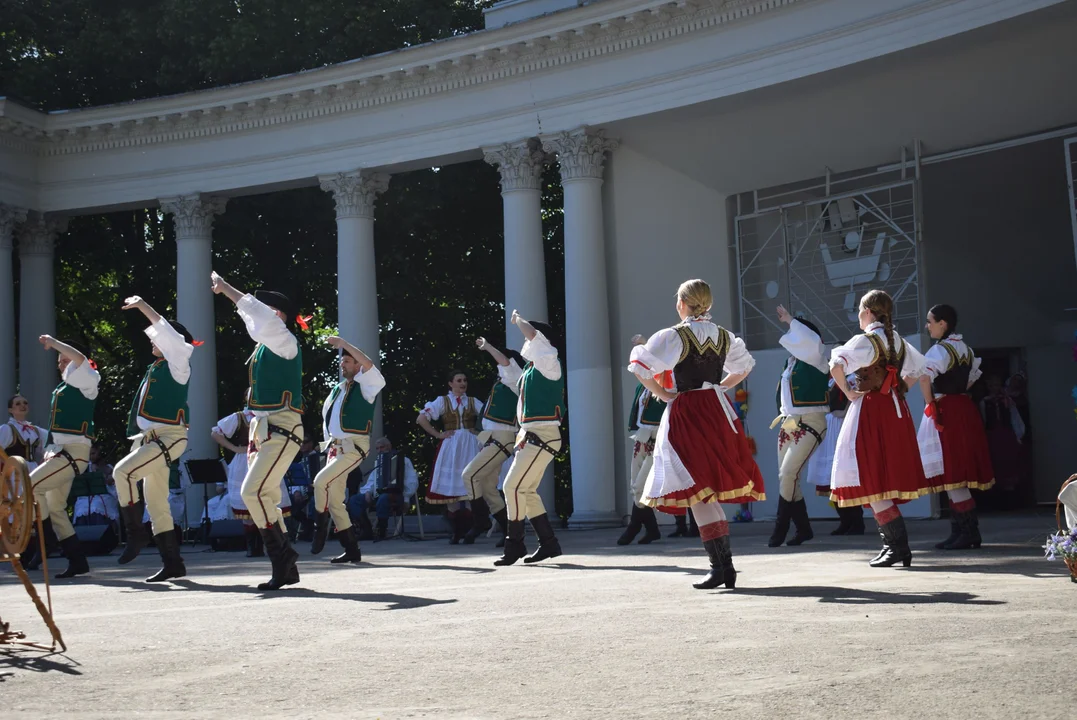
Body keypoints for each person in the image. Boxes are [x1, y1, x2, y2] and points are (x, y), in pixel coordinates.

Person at [629, 279, 764, 589]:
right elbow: (744, 368)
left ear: (682, 304)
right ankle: (724, 567)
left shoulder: (674, 336)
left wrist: (663, 393)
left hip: (688, 412)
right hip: (716, 411)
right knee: (704, 491)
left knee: (697, 490)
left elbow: (640, 367)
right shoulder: (723, 336)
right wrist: (720, 388)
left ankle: (721, 568)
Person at [212, 270, 304, 591]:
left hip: (281, 427)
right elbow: (254, 319)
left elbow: (256, 314)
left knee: (251, 492)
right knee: (263, 494)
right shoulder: (267, 345)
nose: (252, 315)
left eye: (263, 310)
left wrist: (226, 289)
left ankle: (283, 558)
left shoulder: (285, 342)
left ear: (276, 316)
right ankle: (286, 565)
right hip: (267, 429)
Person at [829, 289, 930, 568]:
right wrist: (898, 387)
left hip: (872, 409)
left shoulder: (866, 340)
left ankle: (896, 547)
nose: (859, 315)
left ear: (869, 312)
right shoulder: (896, 339)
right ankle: (897, 548)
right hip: (895, 409)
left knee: (872, 475)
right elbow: (920, 368)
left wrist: (849, 393)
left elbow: (835, 365)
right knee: (883, 475)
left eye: (861, 310)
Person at [110, 296, 194, 582]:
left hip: (169, 438)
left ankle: (135, 535)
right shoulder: (158, 367)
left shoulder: (179, 362)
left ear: (174, 342)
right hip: (152, 439)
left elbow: (166, 333)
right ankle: (173, 564)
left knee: (122, 472)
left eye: (160, 338)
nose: (153, 340)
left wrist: (144, 305)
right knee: (157, 502)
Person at [916, 304, 994, 550]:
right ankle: (962, 532)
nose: (927, 326)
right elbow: (970, 381)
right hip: (962, 409)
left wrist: (930, 404)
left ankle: (968, 533)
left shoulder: (940, 350)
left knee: (952, 472)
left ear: (943, 323)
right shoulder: (966, 350)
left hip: (947, 410)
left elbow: (924, 376)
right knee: (955, 471)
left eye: (930, 321)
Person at [494, 311, 566, 566]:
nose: (527, 341)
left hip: (542, 434)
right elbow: (506, 366)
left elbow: (534, 336)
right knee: (526, 490)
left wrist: (519, 320)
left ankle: (514, 544)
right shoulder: (530, 370)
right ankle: (549, 544)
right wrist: (489, 348)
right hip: (533, 435)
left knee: (511, 487)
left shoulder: (549, 362)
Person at [25, 335, 100, 578]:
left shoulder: (89, 381)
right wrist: (47, 453)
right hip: (60, 453)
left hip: (74, 453)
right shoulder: (62, 388)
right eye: (58, 361)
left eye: (63, 359)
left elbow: (80, 359)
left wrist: (54, 342)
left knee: (31, 486)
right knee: (56, 507)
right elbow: (54, 430)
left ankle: (45, 543)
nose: (60, 364)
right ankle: (77, 560)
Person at [310, 335, 385, 563]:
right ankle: (352, 549)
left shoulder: (367, 386)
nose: (343, 365)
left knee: (319, 482)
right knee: (334, 501)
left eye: (348, 361)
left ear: (358, 365)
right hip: (336, 450)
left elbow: (370, 365)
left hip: (354, 448)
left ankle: (319, 529)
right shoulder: (338, 389)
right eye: (342, 362)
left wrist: (344, 344)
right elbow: (328, 420)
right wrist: (327, 446)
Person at [768, 305, 830, 548]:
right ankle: (803, 529)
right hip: (789, 423)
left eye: (798, 333)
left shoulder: (817, 356)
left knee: (787, 474)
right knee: (787, 477)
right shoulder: (790, 363)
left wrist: (790, 320)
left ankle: (780, 528)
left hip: (812, 421)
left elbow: (810, 340)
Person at [460, 339, 523, 545]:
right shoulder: (503, 381)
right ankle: (509, 532)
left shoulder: (514, 377)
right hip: (492, 439)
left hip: (502, 439)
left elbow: (504, 361)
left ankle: (480, 521)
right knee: (487, 486)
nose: (498, 364)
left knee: (469, 475)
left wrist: (488, 346)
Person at [417, 369, 484, 543]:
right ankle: (456, 531)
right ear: (450, 383)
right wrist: (438, 434)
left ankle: (469, 531)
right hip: (452, 446)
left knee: (471, 488)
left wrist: (478, 431)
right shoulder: (442, 401)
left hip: (470, 444)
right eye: (459, 380)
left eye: (465, 380)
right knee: (451, 489)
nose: (463, 383)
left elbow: (488, 417)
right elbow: (421, 419)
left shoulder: (472, 401)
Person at [619, 334, 666, 546]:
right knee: (634, 484)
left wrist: (643, 344)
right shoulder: (644, 383)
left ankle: (634, 526)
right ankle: (652, 528)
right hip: (642, 436)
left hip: (656, 438)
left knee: (640, 487)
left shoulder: (665, 380)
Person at [804, 381, 865, 535]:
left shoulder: (854, 378)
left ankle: (857, 521)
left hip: (845, 424)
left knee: (846, 476)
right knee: (832, 478)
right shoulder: (830, 379)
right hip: (830, 425)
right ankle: (845, 521)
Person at [354, 437, 420, 541]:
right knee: (354, 500)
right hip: (378, 495)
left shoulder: (403, 461)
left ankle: (382, 531)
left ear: (389, 447)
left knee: (383, 498)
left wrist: (406, 498)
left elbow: (411, 481)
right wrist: (367, 492)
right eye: (377, 448)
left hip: (398, 495)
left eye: (382, 447)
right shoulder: (378, 462)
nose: (380, 450)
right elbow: (372, 482)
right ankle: (366, 530)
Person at [1, 395, 47, 469]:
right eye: (18, 403)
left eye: (25, 403)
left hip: (33, 470)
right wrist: (10, 464)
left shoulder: (35, 430)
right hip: (14, 473)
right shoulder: (7, 429)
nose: (23, 405)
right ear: (10, 410)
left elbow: (51, 441)